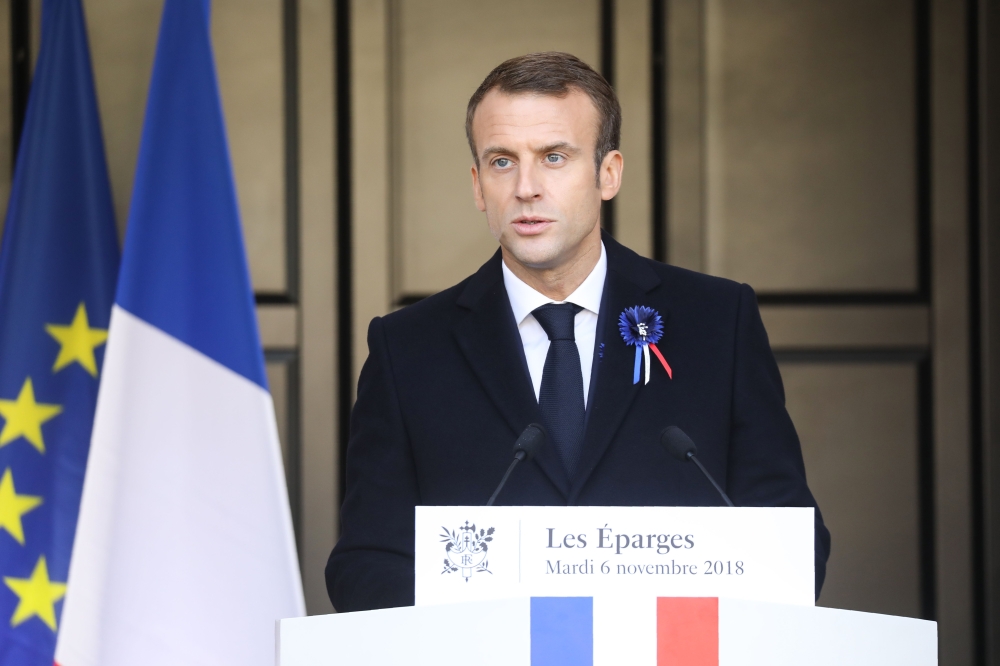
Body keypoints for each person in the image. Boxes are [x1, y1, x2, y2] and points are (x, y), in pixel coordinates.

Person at [326, 52, 830, 612]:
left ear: (608, 173)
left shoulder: (717, 321)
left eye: (554, 157)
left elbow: (790, 538)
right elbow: (368, 563)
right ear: (476, 186)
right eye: (501, 162)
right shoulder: (407, 349)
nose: (526, 188)